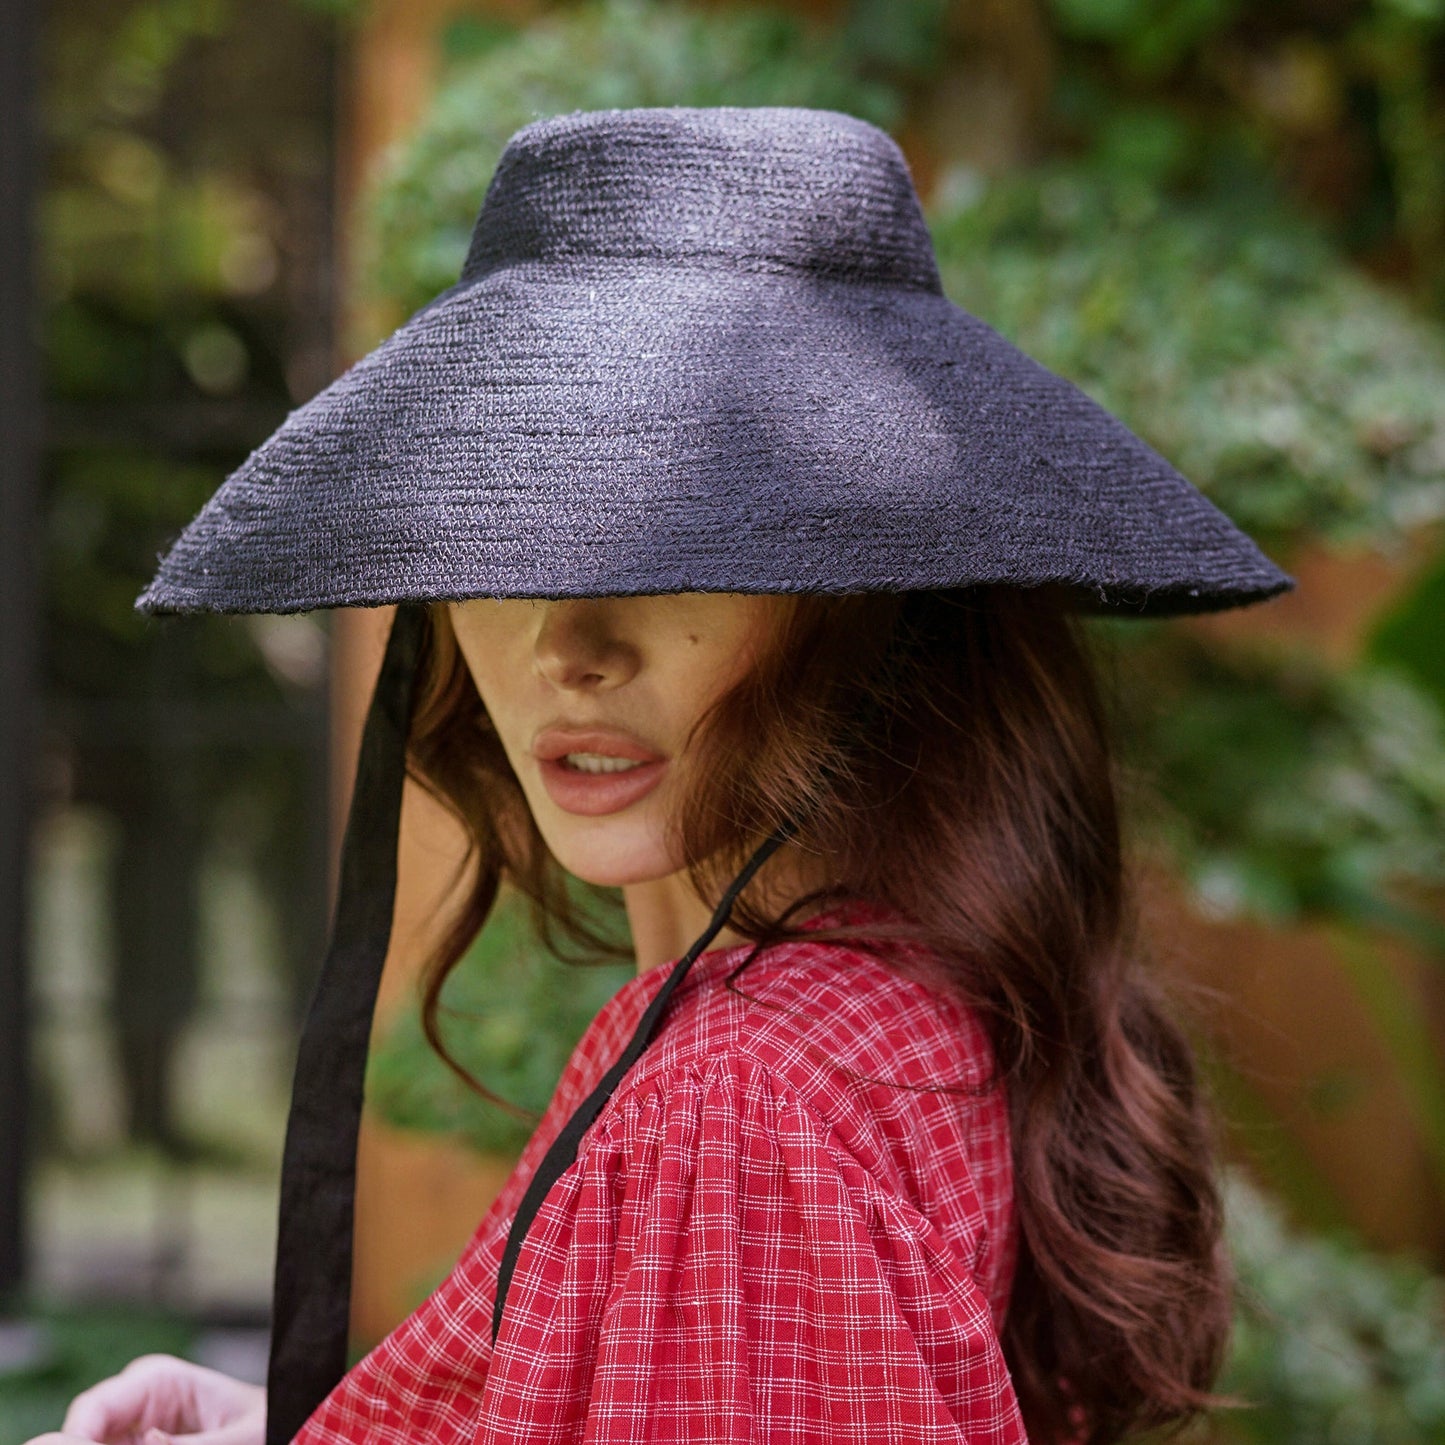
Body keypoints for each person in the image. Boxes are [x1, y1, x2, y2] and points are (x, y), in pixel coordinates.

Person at [30, 106, 1292, 1445]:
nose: (567, 648)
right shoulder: (891, 997)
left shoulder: (739, 1101)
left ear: (873, 605)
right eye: (510, 541)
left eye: (683, 554)